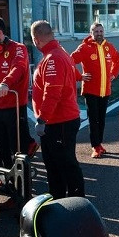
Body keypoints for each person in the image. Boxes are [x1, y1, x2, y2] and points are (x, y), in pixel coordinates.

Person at [30, 20, 85, 199]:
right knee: (55, 164)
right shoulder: (60, 53)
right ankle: (59, 199)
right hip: (59, 120)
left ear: (36, 39)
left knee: (64, 164)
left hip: (58, 121)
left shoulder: (53, 57)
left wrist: (42, 120)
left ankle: (76, 201)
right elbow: (71, 75)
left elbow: (53, 92)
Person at [0, 15, 39, 171]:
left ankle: (22, 185)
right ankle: (4, 181)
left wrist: (5, 83)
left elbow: (18, 68)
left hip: (14, 106)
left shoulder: (18, 48)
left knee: (17, 148)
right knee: (1, 148)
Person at [71, 22, 119, 159]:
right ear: (91, 33)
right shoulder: (84, 48)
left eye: (101, 31)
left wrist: (113, 74)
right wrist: (79, 76)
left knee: (101, 120)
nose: (99, 34)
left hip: (105, 90)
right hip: (91, 91)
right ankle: (95, 146)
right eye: (96, 31)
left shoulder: (109, 47)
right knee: (93, 120)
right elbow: (69, 61)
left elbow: (118, 59)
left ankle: (99, 144)